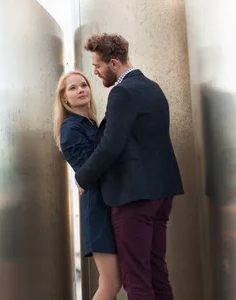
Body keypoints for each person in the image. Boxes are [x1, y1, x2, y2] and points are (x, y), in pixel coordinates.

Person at [74, 33, 184, 300]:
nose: (96, 73)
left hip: (133, 196)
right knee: (157, 272)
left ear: (113, 63)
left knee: (136, 278)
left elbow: (112, 145)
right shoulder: (152, 87)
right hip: (161, 192)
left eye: (98, 66)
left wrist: (82, 177)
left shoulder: (122, 92)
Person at [54, 71, 122, 300]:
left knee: (114, 281)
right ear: (64, 98)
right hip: (97, 210)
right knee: (110, 283)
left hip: (108, 203)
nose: (81, 90)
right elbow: (89, 170)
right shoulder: (71, 128)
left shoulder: (91, 123)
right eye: (73, 88)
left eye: (84, 85)